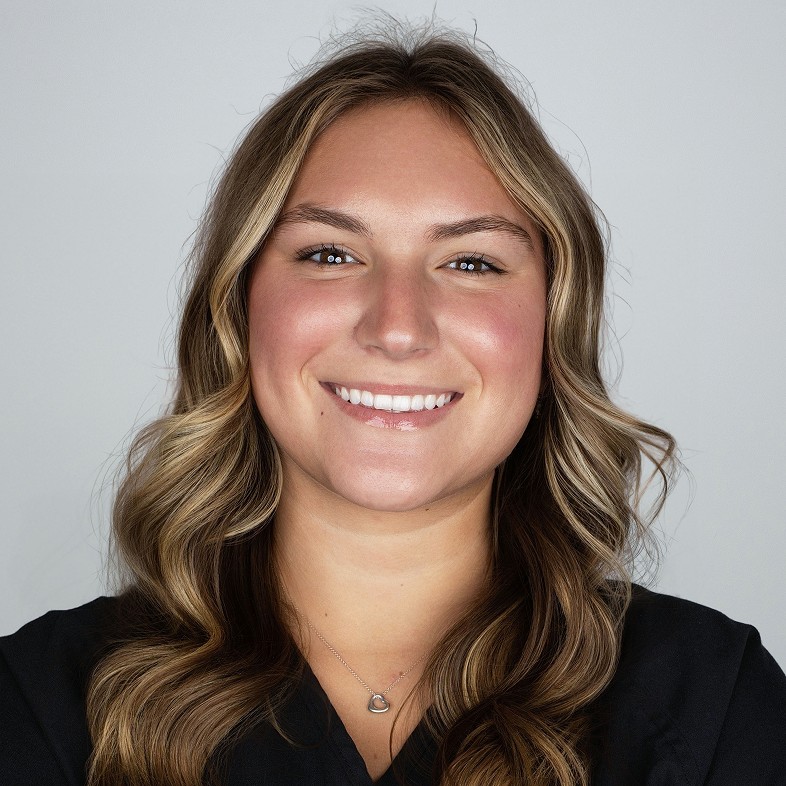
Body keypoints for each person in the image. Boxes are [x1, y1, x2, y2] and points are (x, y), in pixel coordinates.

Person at [1, 22, 784, 786]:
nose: (398, 327)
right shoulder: (42, 703)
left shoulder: (716, 704)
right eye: (330, 254)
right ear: (237, 308)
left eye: (471, 262)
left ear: (555, 324)